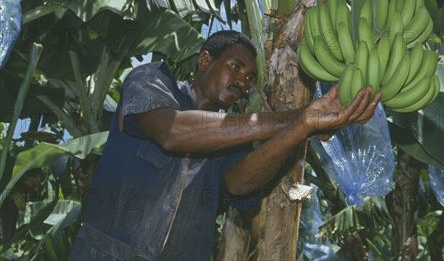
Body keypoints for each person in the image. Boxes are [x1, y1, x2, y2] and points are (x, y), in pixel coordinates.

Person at [69, 30, 380, 260]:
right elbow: (172, 131)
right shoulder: (150, 80)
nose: (243, 84)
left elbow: (239, 184)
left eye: (249, 78)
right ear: (205, 60)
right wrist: (295, 117)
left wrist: (303, 128)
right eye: (236, 67)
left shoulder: (230, 138)